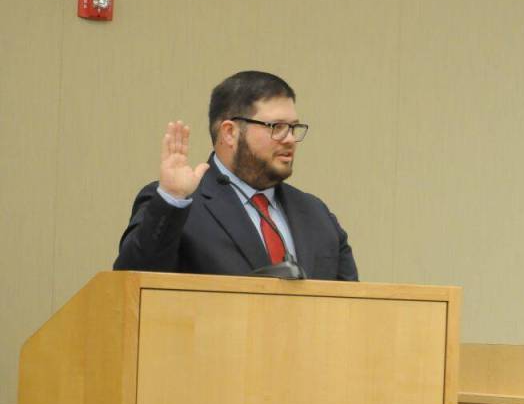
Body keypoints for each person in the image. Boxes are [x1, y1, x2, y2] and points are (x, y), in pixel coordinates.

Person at [115, 71, 358, 281]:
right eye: (277, 127)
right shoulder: (180, 206)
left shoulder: (317, 214)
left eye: (294, 127)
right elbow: (132, 283)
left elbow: (351, 309)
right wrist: (172, 199)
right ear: (230, 133)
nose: (290, 139)